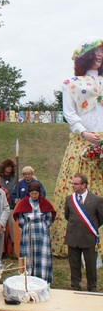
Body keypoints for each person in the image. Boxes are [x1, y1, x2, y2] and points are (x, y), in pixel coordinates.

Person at [52, 38, 103, 257]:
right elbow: (69, 112)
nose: (100, 55)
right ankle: (75, 242)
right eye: (96, 51)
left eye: (102, 51)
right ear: (86, 56)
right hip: (83, 140)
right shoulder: (71, 83)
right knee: (78, 185)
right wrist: (84, 132)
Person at [64, 173, 103, 291]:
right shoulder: (69, 199)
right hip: (73, 237)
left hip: (89, 238)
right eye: (72, 183)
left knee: (91, 264)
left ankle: (92, 286)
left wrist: (89, 228)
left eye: (75, 184)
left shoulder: (97, 200)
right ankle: (75, 285)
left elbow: (101, 218)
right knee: (74, 264)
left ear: (84, 185)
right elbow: (67, 216)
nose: (73, 186)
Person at [13, 182, 56, 284]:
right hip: (28, 232)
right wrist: (26, 227)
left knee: (42, 254)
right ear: (29, 193)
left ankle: (43, 277)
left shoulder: (44, 203)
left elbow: (50, 217)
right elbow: (20, 218)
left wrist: (44, 226)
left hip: (42, 232)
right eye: (32, 194)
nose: (34, 196)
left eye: (36, 194)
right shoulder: (23, 203)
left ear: (39, 193)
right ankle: (28, 277)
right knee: (28, 253)